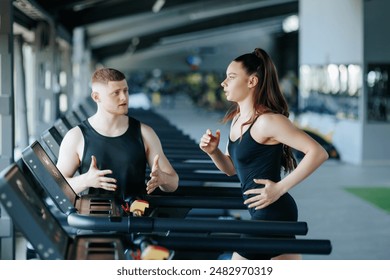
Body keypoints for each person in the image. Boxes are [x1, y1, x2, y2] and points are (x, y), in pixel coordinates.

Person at [199, 48, 329, 260]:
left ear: (252, 82)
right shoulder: (237, 118)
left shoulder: (268, 121)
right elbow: (232, 169)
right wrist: (213, 152)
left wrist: (279, 188)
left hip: (273, 212)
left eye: (231, 77)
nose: (223, 83)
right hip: (263, 211)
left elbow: (318, 152)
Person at [56, 68, 178, 205]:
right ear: (96, 97)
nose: (124, 97)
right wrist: (85, 180)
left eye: (125, 91)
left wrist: (163, 179)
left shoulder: (145, 133)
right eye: (116, 93)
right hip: (94, 222)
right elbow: (57, 188)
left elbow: (173, 183)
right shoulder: (76, 137)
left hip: (136, 220)